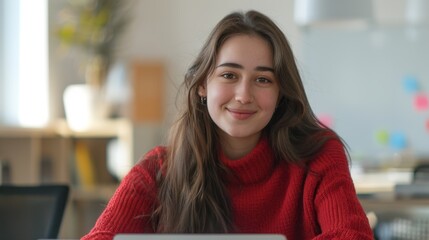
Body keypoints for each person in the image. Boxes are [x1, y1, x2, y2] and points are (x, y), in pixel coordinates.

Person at [82, 10, 373, 240]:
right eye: (229, 76)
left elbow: (352, 236)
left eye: (263, 80)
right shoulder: (159, 170)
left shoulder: (319, 155)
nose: (244, 96)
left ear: (280, 92)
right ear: (202, 86)